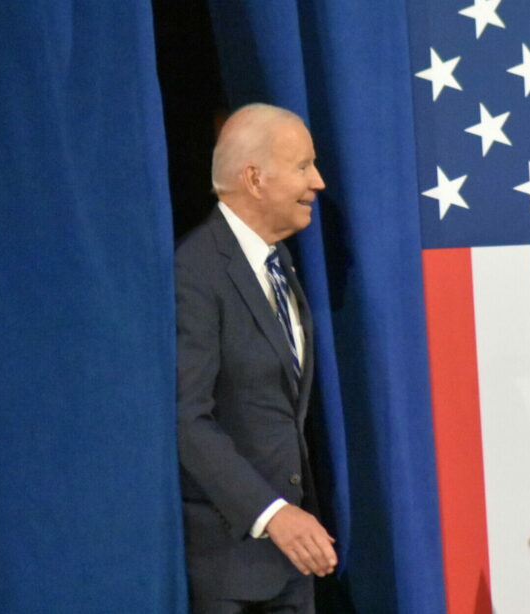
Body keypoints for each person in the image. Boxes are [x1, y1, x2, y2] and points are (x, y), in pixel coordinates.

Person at [175, 103, 336, 614]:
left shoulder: (279, 264)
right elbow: (185, 417)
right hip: (228, 570)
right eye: (303, 166)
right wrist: (272, 514)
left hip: (289, 565)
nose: (319, 182)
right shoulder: (194, 272)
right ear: (255, 179)